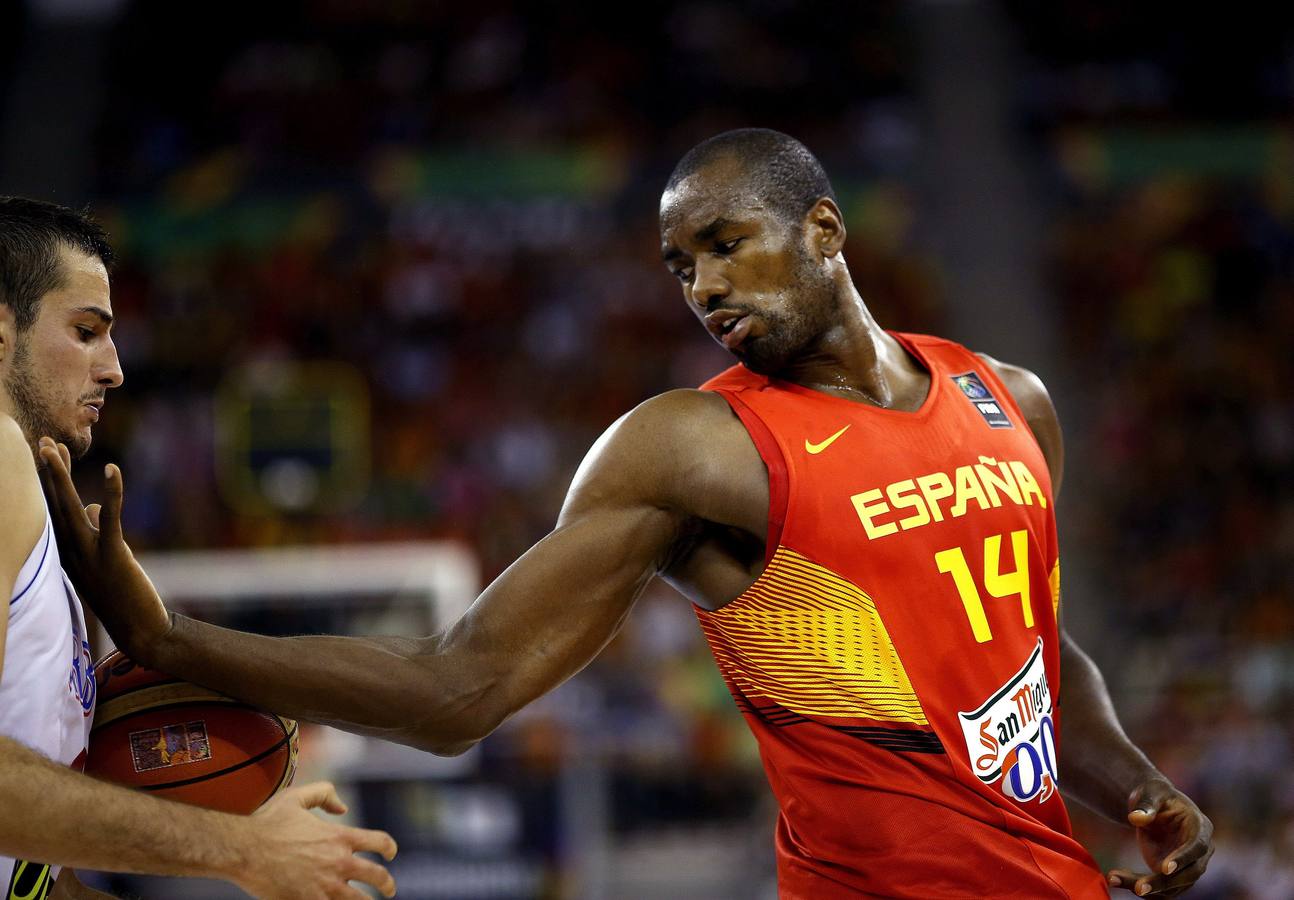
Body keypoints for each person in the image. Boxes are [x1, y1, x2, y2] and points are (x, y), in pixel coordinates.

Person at [42, 130, 1214, 898]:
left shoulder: (1011, 400)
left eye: (724, 246)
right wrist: (171, 643)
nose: (703, 287)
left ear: (824, 231)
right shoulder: (695, 448)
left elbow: (1030, 653)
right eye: (677, 265)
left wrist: (1137, 787)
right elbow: (457, 691)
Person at [0, 197, 398, 900]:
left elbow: (37, 885)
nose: (115, 368)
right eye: (86, 331)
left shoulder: (46, 532)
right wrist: (243, 849)